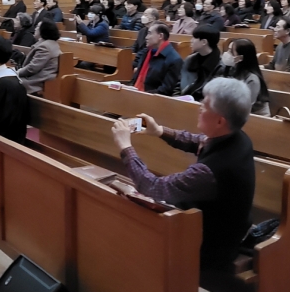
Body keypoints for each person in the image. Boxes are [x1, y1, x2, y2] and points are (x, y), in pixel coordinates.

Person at [110, 78, 258, 275]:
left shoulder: (209, 172)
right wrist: (159, 131)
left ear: (220, 121)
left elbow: (154, 187)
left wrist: (125, 147)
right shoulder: (237, 136)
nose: (199, 107)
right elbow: (198, 141)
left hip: (211, 246)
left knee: (129, 225)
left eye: (205, 105)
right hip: (221, 227)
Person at [219, 38, 271, 116]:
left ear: (240, 58)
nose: (227, 54)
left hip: (257, 118)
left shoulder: (252, 79)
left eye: (231, 52)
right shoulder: (231, 69)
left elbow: (245, 107)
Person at [129, 23, 182, 95]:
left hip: (152, 99)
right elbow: (136, 78)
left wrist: (142, 95)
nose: (146, 37)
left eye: (149, 33)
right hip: (137, 94)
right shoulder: (146, 52)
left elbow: (166, 90)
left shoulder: (174, 59)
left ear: (160, 36)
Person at [14, 20, 63, 95]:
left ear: (43, 31)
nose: (35, 28)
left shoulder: (45, 47)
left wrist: (17, 72)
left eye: (37, 27)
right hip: (39, 78)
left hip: (37, 82)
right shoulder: (51, 43)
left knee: (8, 82)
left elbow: (32, 68)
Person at [177, 25, 222, 100]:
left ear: (204, 42)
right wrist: (176, 100)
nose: (191, 41)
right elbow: (178, 84)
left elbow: (215, 97)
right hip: (183, 101)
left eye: (194, 38)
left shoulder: (220, 66)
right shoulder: (189, 60)